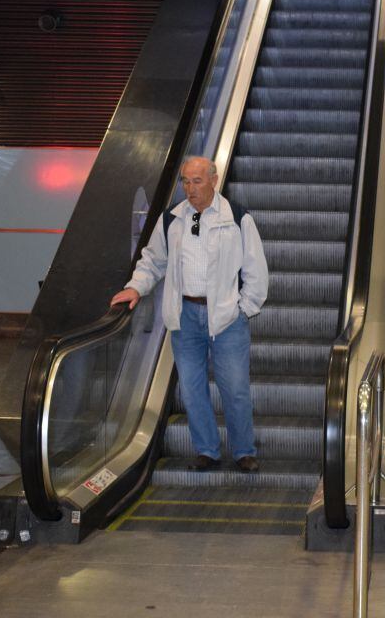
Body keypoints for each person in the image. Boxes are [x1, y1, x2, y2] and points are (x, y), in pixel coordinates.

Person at [111, 156, 269, 472]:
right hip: (185, 315)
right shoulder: (172, 219)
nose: (190, 188)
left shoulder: (237, 218)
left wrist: (244, 310)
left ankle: (243, 451)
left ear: (213, 179)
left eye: (197, 181)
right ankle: (207, 451)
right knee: (192, 388)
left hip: (226, 317)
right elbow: (153, 261)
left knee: (235, 388)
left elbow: (255, 268)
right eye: (185, 181)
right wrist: (135, 288)